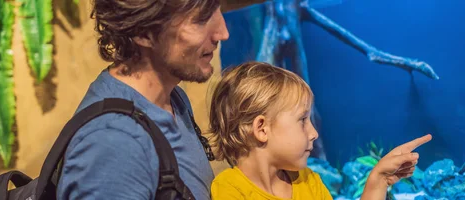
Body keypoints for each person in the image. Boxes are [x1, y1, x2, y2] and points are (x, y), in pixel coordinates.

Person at [56, 0, 229, 199]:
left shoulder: (173, 98)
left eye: (217, 9)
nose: (223, 33)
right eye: (201, 19)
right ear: (144, 32)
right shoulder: (113, 145)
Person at [207, 61, 433, 200]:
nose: (313, 133)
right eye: (302, 120)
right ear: (261, 128)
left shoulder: (309, 181)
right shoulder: (229, 190)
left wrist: (378, 179)